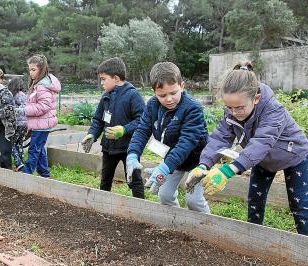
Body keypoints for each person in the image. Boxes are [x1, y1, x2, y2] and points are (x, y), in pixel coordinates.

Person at [185, 61, 308, 234]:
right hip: (261, 160)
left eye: (239, 108)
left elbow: (261, 143)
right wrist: (203, 164)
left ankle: (305, 245)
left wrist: (228, 170)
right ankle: (253, 238)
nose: (234, 113)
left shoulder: (273, 110)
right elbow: (219, 138)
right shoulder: (233, 111)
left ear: (256, 98)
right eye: (229, 107)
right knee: (255, 201)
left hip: (294, 155)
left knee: (300, 206)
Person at [126, 62, 210, 212]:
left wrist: (165, 167)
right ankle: (177, 223)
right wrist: (132, 155)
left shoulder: (192, 108)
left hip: (197, 160)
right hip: (173, 160)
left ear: (182, 86)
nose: (169, 99)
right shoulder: (152, 105)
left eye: (173, 93)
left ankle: (208, 229)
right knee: (164, 195)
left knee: (193, 200)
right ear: (154, 92)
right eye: (162, 95)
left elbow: (187, 142)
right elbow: (142, 130)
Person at [81, 57, 145, 199]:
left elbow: (142, 120)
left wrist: (124, 129)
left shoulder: (133, 95)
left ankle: (141, 206)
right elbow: (98, 120)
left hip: (129, 147)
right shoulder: (106, 97)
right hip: (109, 147)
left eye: (104, 79)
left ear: (116, 78)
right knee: (105, 179)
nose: (102, 83)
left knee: (134, 179)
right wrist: (92, 134)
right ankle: (103, 204)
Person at [23, 54, 60, 177]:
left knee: (34, 149)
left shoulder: (43, 86)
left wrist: (24, 110)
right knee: (39, 149)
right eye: (30, 69)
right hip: (40, 123)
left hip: (42, 124)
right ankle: (44, 174)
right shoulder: (39, 84)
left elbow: (43, 107)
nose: (31, 73)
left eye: (33, 70)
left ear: (42, 69)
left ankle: (26, 174)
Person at [8, 77, 27, 171]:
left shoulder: (12, 95)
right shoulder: (24, 95)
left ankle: (18, 162)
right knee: (20, 143)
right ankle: (21, 163)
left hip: (16, 123)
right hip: (25, 123)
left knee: (11, 143)